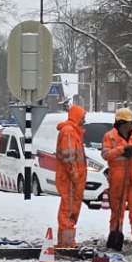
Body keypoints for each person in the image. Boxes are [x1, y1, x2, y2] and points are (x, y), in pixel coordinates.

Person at [100, 107, 132, 251]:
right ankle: (115, 234)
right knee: (117, 210)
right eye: (128, 122)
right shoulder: (110, 136)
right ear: (120, 123)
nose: (130, 125)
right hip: (118, 178)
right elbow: (106, 154)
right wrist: (122, 150)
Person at [53, 103, 88, 250]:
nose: (84, 120)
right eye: (83, 117)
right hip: (70, 179)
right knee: (68, 209)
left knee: (71, 209)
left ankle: (67, 241)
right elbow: (68, 157)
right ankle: (66, 242)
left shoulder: (73, 131)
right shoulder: (69, 132)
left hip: (72, 178)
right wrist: (75, 175)